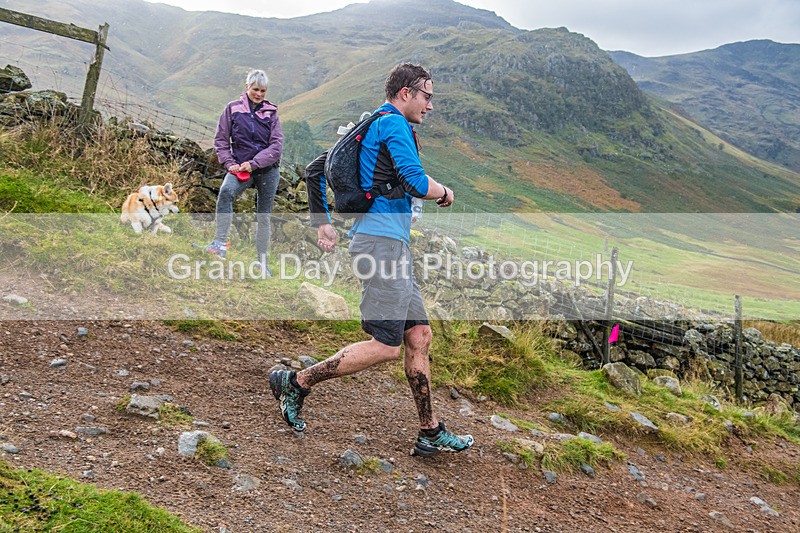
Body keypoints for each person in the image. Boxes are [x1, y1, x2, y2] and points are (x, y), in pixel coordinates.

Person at [270, 63, 474, 457]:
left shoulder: (371, 126)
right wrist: (445, 191)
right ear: (405, 92)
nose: (430, 105)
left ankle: (429, 431)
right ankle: (296, 383)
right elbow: (415, 181)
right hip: (381, 246)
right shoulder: (392, 124)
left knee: (419, 336)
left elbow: (315, 169)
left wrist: (322, 223)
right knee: (385, 345)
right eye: (427, 96)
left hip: (390, 244)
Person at [205, 69, 283, 276]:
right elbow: (221, 140)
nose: (259, 94)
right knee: (226, 192)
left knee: (263, 216)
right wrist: (229, 163)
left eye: (263, 91)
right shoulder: (232, 109)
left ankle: (262, 263)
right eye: (256, 89)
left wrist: (254, 163)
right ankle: (219, 245)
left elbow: (276, 147)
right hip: (239, 168)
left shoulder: (271, 113)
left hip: (267, 170)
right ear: (247, 87)